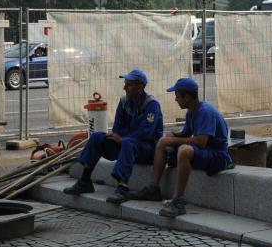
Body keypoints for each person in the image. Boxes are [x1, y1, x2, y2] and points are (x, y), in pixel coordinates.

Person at [133, 77, 234, 217]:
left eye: (177, 96)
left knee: (184, 150)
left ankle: (178, 201)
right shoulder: (191, 112)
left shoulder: (205, 112)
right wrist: (171, 135)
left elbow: (201, 142)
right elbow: (186, 134)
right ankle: (153, 188)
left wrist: (174, 141)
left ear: (187, 97)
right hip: (204, 152)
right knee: (163, 142)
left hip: (217, 155)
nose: (175, 99)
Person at [63, 69, 163, 204]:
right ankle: (85, 181)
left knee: (128, 142)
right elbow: (117, 129)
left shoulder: (151, 105)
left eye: (128, 85)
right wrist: (121, 138)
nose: (124, 87)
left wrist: (123, 138)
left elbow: (146, 133)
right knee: (97, 137)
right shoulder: (124, 102)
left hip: (147, 149)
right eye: (125, 84)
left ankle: (122, 188)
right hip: (126, 144)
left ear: (140, 87)